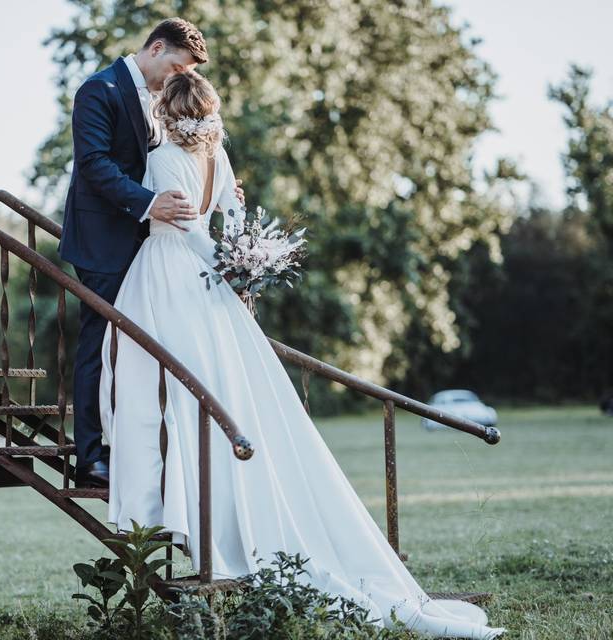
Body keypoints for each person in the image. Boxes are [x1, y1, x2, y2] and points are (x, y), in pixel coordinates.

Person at [98, 70, 507, 639]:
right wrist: (236, 264)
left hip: (167, 276)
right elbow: (233, 218)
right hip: (210, 290)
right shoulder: (219, 154)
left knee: (159, 384)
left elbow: (188, 227)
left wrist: (218, 260)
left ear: (167, 111)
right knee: (220, 383)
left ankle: (171, 496)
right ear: (210, 113)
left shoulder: (166, 155)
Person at [59, 18, 243, 487]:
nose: (178, 76)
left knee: (151, 351)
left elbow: (165, 162)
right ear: (156, 47)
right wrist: (150, 202)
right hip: (103, 240)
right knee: (101, 342)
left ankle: (151, 449)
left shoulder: (160, 98)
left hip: (151, 246)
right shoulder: (97, 90)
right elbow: (95, 165)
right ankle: (90, 456)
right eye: (177, 65)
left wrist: (213, 187)